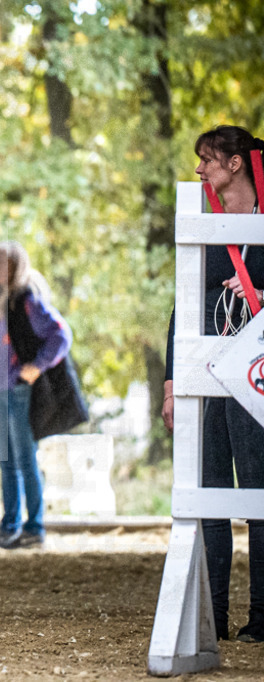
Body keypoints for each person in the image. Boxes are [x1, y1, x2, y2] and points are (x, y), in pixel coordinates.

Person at [164, 125, 264, 643]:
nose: (200, 168)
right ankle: (215, 616)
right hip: (204, 377)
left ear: (236, 164)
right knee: (210, 496)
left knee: (259, 495)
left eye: (207, 159)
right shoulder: (207, 224)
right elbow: (182, 308)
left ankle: (263, 616)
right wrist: (168, 382)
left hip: (255, 381)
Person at [0, 241, 73, 551]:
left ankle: (34, 528)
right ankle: (9, 528)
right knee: (6, 462)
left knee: (25, 459)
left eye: (3, 264)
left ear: (16, 267)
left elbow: (61, 335)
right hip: (1, 389)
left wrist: (36, 366)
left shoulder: (26, 300)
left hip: (20, 390)